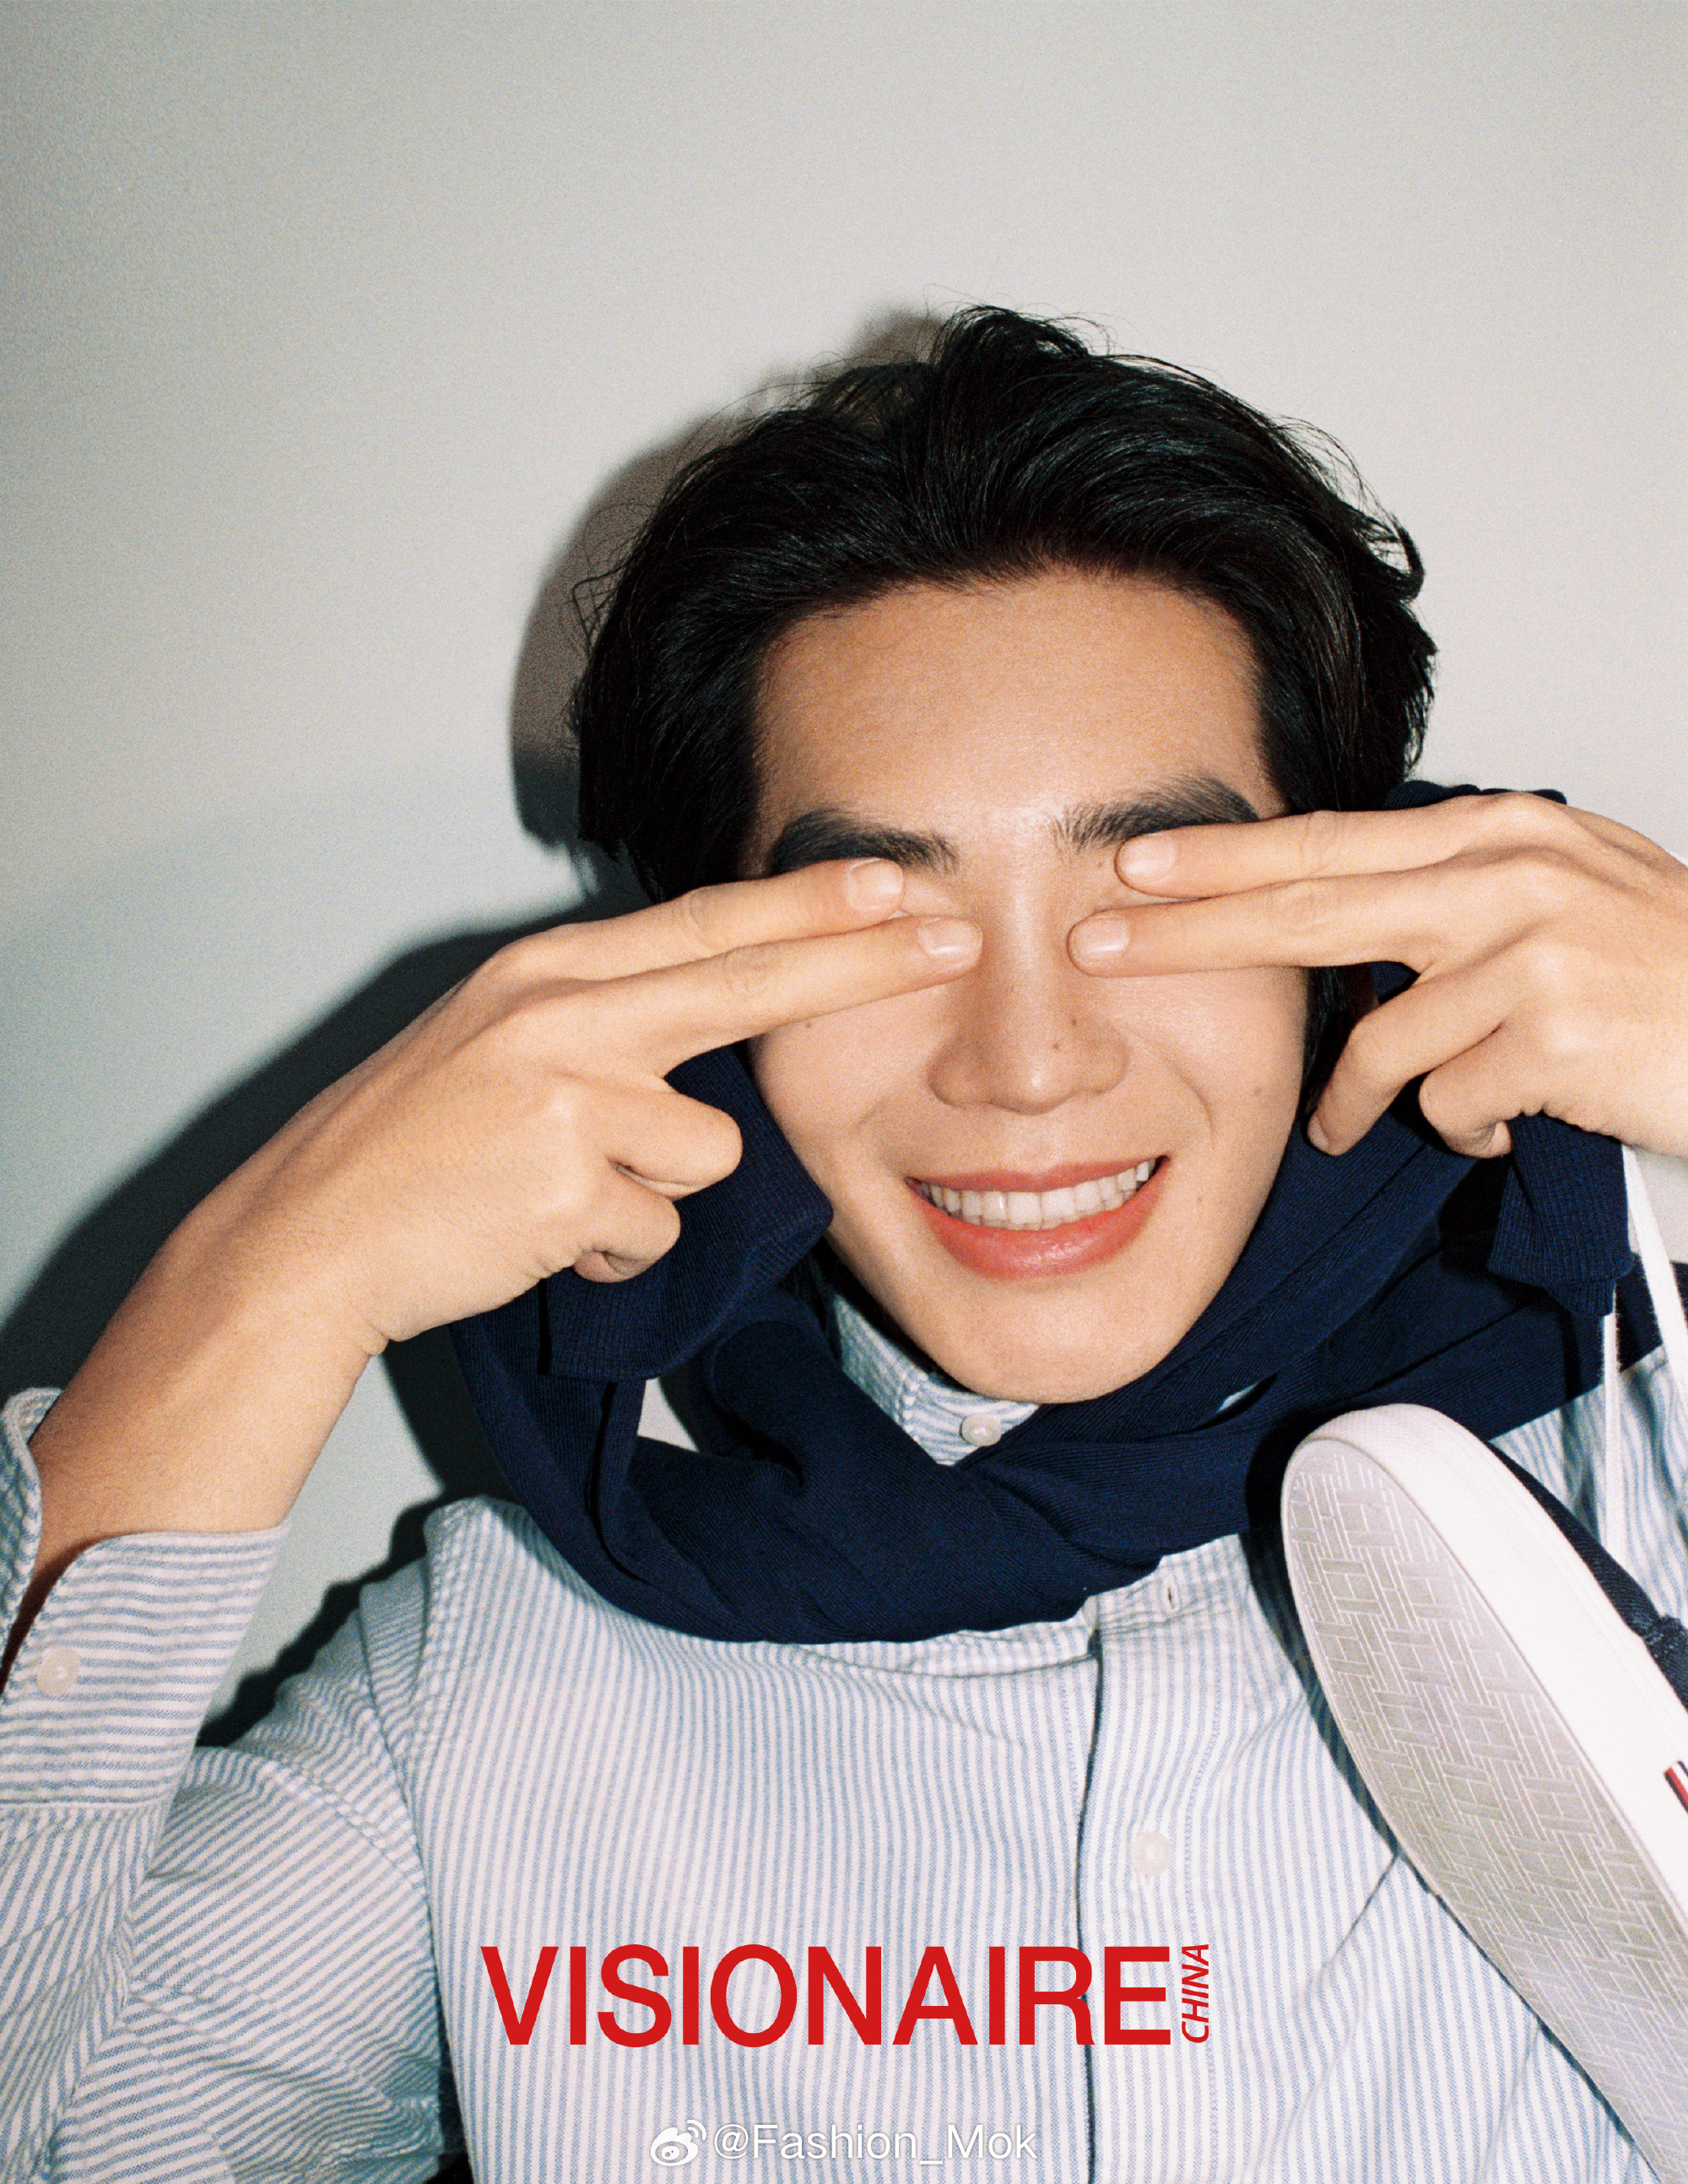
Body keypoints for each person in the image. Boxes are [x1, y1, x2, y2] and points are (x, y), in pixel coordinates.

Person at [3, 307, 1687, 2182]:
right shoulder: (498, 1678)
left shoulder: (1648, 1488)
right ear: (709, 990)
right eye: (879, 925)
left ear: (1343, 925)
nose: (1026, 1063)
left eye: (1152, 899)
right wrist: (259, 1289)